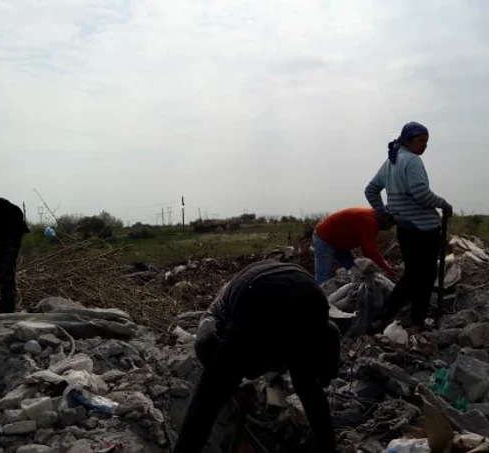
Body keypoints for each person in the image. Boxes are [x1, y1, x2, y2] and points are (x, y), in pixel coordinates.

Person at [173, 259, 341, 453]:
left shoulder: (216, 312)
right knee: (307, 383)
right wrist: (325, 373)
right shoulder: (235, 305)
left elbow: (204, 342)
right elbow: (330, 330)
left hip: (261, 295)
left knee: (208, 395)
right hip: (313, 295)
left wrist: (223, 380)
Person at [364, 122, 452, 327]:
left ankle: (396, 316)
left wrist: (385, 213)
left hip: (405, 229)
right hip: (424, 230)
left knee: (414, 274)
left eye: (427, 142)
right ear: (409, 140)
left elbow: (371, 190)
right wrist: (443, 204)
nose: (425, 146)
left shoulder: (390, 162)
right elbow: (421, 194)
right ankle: (406, 318)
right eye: (421, 140)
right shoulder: (412, 161)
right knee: (422, 277)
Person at [313, 207, 395, 284]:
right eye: (391, 224)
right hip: (324, 237)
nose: (389, 228)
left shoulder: (372, 219)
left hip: (340, 243)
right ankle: (319, 297)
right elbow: (370, 251)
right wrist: (386, 269)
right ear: (386, 219)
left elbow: (366, 249)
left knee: (353, 270)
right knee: (324, 276)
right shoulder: (370, 221)